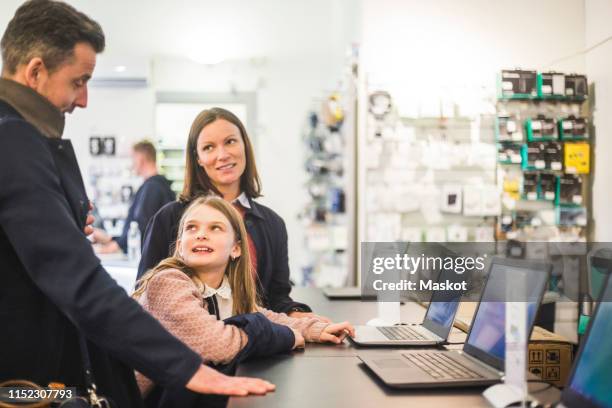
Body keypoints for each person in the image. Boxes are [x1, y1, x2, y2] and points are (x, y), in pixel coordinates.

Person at [0, 1, 274, 406]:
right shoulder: (13, 141)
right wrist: (186, 368)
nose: (84, 99)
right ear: (36, 71)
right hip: (29, 378)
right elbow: (76, 280)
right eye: (79, 81)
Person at [133, 195, 354, 406]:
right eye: (192, 227)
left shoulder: (227, 290)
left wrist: (315, 329)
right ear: (180, 247)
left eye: (215, 228)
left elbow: (266, 316)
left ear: (236, 248)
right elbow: (217, 344)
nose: (201, 234)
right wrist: (285, 337)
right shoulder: (168, 282)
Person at [138, 107, 327, 319]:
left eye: (230, 142)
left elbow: (277, 299)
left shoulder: (273, 224)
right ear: (198, 158)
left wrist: (305, 320)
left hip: (259, 343)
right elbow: (146, 296)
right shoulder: (168, 219)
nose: (222, 155)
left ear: (245, 144)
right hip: (187, 347)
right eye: (209, 147)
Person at [93, 140, 175, 254]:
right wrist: (110, 239)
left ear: (140, 159)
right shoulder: (159, 186)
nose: (131, 164)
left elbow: (141, 227)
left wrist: (113, 247)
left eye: (133, 158)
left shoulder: (152, 188)